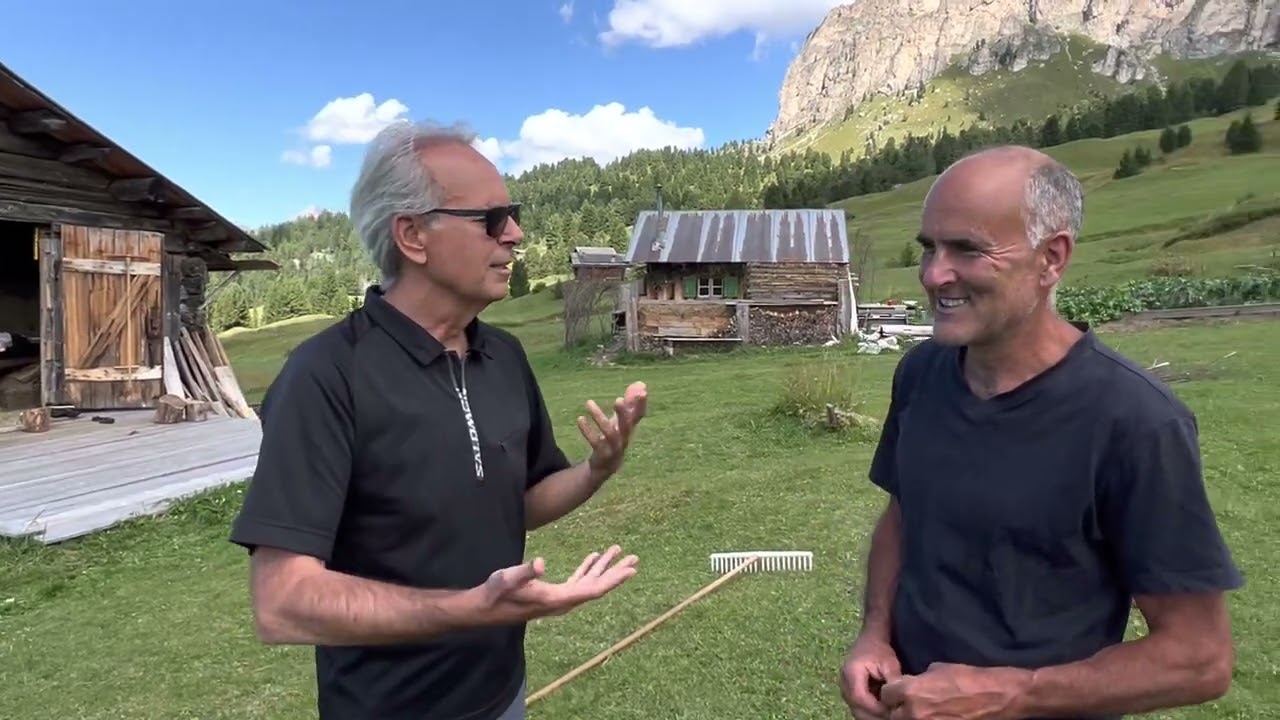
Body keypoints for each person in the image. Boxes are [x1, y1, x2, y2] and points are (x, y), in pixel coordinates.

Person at [228, 119, 648, 720]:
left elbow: (518, 503)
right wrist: (471, 609)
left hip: (503, 694)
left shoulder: (504, 355)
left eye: (513, 215)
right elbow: (282, 603)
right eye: (491, 219)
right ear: (413, 236)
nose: (516, 234)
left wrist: (595, 470)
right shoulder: (326, 374)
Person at [839, 145, 1244, 720]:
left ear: (1051, 259)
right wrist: (875, 632)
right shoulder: (921, 373)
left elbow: (1200, 659)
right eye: (929, 247)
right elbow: (903, 513)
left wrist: (1010, 694)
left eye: (968, 249)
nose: (933, 274)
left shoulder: (1137, 422)